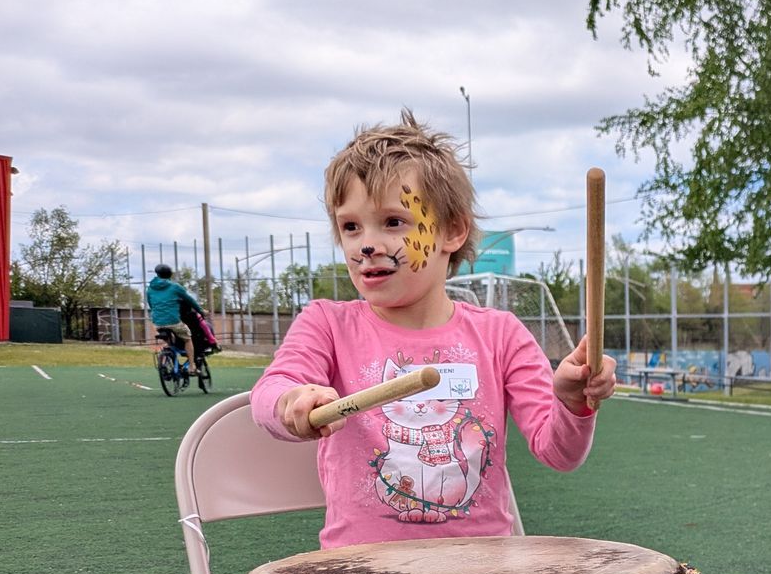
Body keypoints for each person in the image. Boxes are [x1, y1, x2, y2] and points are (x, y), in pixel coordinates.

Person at [249, 111, 615, 548]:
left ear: (452, 230)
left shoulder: (501, 335)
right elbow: (270, 392)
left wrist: (572, 402)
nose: (366, 244)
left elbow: (559, 453)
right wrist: (293, 400)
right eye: (350, 226)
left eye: (393, 222)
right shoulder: (327, 323)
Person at [146, 264, 204, 361]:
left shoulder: (150, 288)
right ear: (170, 275)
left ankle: (169, 357)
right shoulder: (175, 287)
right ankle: (191, 365)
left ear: (157, 274)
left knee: (169, 339)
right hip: (173, 321)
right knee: (187, 338)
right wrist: (201, 311)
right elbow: (190, 300)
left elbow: (151, 305)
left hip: (157, 323)